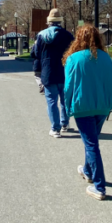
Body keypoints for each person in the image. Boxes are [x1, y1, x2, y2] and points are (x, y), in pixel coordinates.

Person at [62, 25, 112, 200]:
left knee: (91, 144)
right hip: (102, 106)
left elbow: (69, 86)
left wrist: (67, 105)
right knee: (92, 141)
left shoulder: (74, 59)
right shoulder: (106, 58)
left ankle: (99, 187)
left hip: (82, 106)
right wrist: (110, 103)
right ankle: (88, 170)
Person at [33, 8, 75, 137]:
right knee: (65, 100)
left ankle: (55, 128)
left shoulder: (41, 35)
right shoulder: (68, 35)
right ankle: (64, 123)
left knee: (51, 101)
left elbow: (35, 54)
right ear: (60, 21)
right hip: (65, 71)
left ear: (48, 22)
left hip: (48, 72)